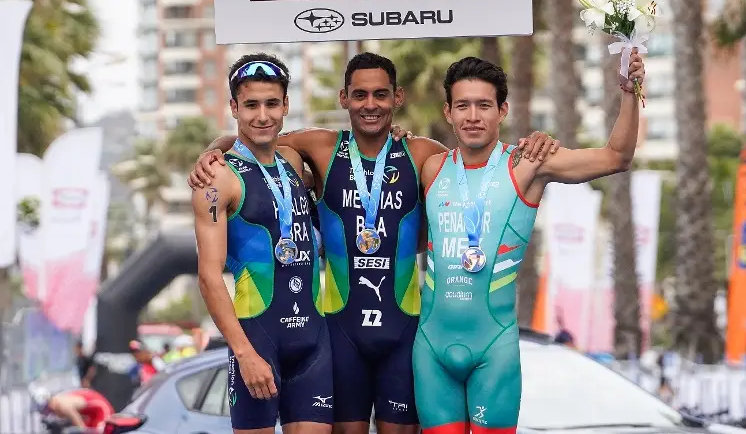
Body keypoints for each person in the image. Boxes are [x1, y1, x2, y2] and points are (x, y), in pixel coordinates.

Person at [188, 52, 558, 434]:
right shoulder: (317, 149)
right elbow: (253, 142)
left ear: (397, 98)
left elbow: (480, 166)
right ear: (343, 98)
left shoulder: (423, 153)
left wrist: (536, 143)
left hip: (402, 333)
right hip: (334, 335)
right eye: (360, 95)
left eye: (380, 94)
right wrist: (212, 151)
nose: (370, 104)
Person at [416, 51, 644, 434]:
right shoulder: (431, 167)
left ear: (502, 111)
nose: (473, 116)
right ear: (448, 112)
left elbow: (616, 157)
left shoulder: (528, 163)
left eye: (484, 105)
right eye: (463, 106)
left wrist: (628, 90)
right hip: (431, 350)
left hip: (493, 351)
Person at [193, 53, 332, 434]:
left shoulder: (293, 161)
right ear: (234, 107)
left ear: (286, 105)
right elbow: (208, 277)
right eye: (251, 105)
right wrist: (244, 353)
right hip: (258, 339)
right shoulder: (217, 180)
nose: (262, 115)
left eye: (272, 104)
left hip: (313, 342)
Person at [30, 385, 114, 431]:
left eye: (46, 410)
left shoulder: (63, 406)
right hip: (91, 413)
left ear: (50, 402)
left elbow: (80, 427)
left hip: (101, 408)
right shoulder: (57, 402)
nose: (48, 413)